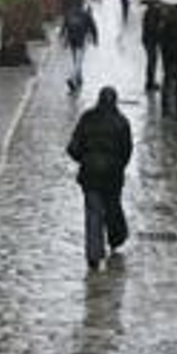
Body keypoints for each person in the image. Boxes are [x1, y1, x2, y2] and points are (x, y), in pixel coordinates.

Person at [67, 85, 133, 273]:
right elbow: (127, 151)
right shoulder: (121, 122)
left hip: (90, 174)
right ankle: (116, 238)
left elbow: (73, 147)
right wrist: (118, 165)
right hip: (112, 174)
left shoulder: (87, 119)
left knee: (93, 213)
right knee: (112, 207)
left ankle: (94, 255)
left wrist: (85, 159)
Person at [62, 0, 98, 92]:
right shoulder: (86, 14)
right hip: (80, 40)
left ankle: (79, 78)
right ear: (82, 4)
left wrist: (64, 40)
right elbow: (93, 27)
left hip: (71, 40)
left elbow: (64, 27)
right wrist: (95, 39)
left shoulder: (69, 13)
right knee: (78, 60)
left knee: (76, 59)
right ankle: (72, 77)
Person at [141, 0, 165, 92]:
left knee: (152, 61)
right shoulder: (152, 12)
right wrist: (159, 29)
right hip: (150, 40)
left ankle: (150, 81)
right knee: (152, 61)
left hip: (149, 39)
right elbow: (152, 27)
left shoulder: (151, 11)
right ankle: (150, 82)